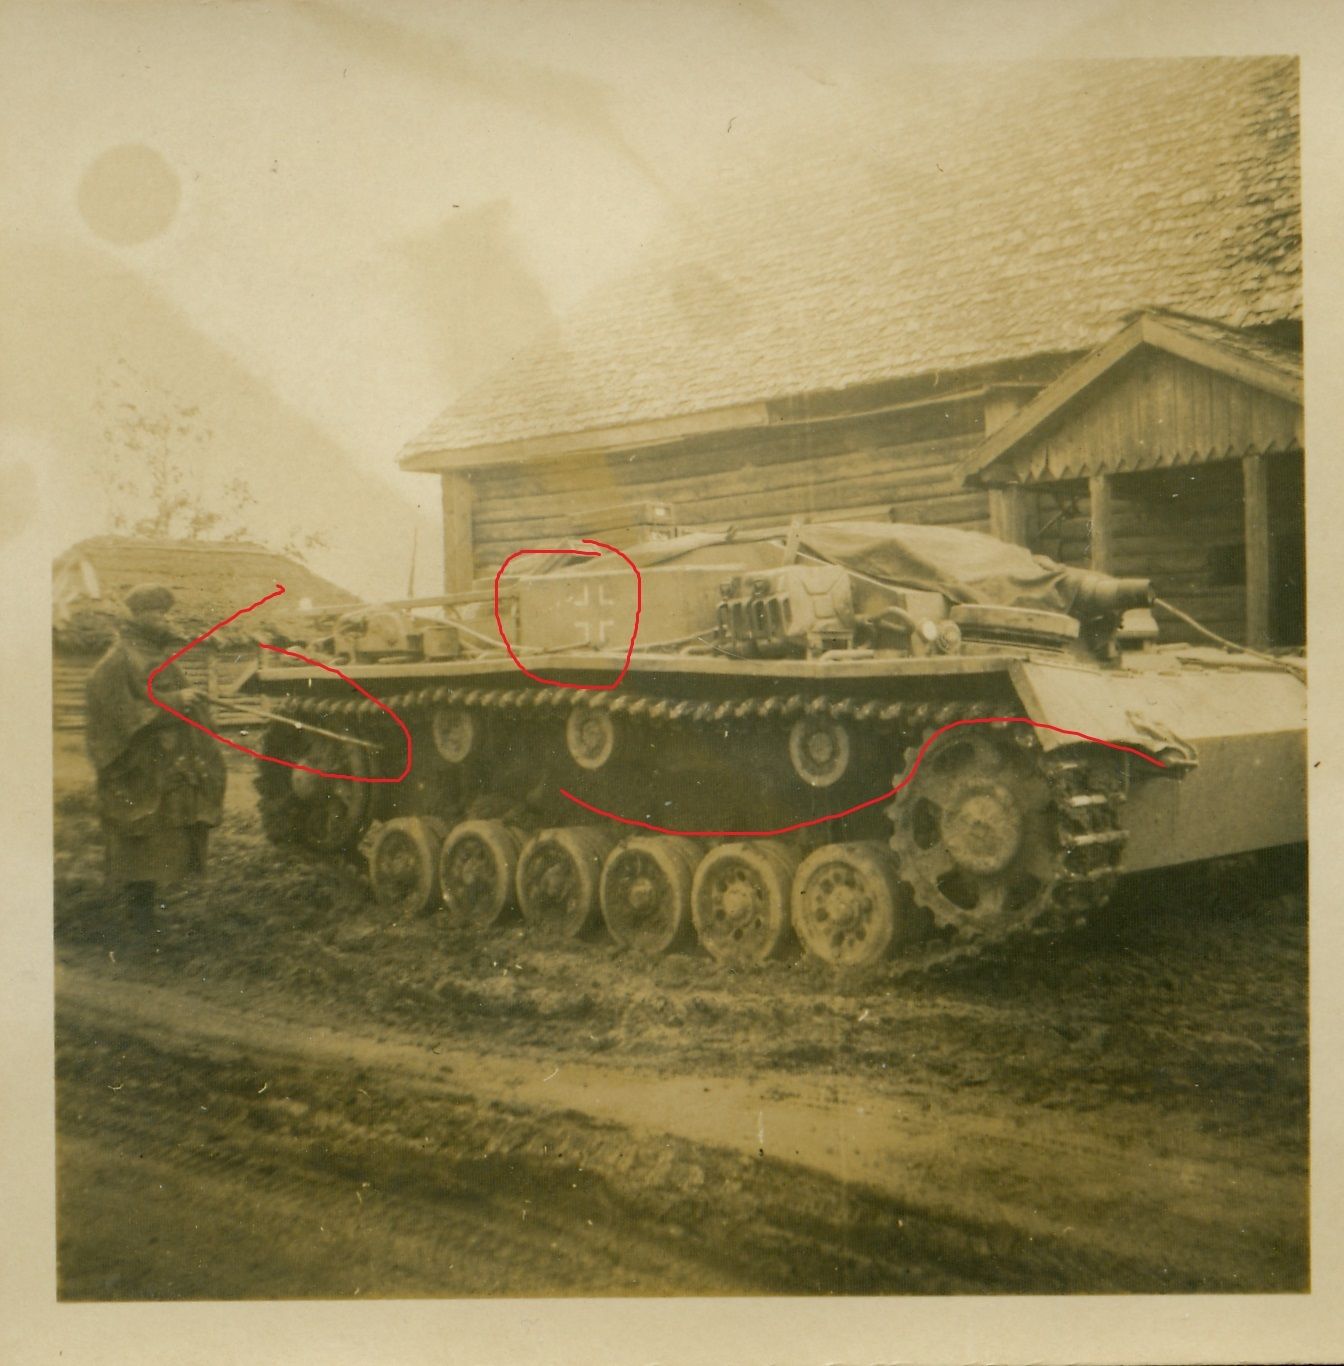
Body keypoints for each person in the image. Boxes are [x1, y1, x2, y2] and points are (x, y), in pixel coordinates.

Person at [84, 584, 227, 948]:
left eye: (165, 612)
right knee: (139, 837)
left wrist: (191, 700)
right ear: (137, 615)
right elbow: (122, 713)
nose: (164, 619)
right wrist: (178, 699)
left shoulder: (155, 654)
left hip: (166, 768)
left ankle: (147, 918)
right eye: (156, 613)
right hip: (137, 770)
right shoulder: (118, 659)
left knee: (162, 838)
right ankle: (139, 924)